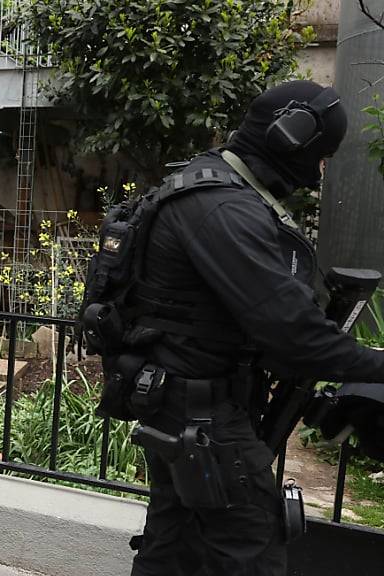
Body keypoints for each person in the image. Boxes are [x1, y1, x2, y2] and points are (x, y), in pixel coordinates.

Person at [123, 80, 384, 575]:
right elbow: (295, 335)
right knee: (250, 550)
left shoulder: (204, 185)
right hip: (205, 420)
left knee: (171, 547)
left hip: (177, 406)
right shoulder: (225, 209)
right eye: (322, 158)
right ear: (291, 137)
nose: (319, 173)